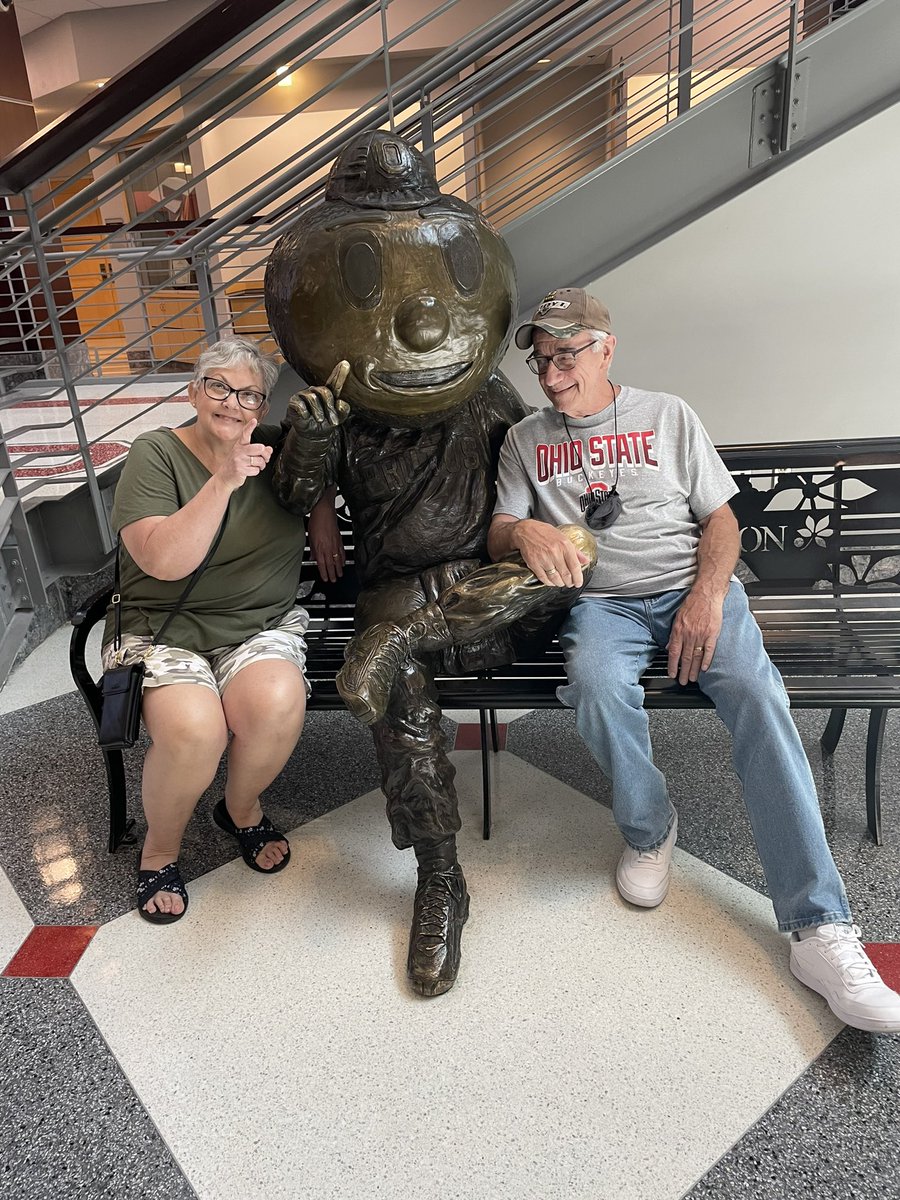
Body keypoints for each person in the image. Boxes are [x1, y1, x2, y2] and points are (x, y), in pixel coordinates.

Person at [487, 287, 900, 1034]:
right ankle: (650, 830)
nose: (551, 377)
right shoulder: (525, 440)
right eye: (542, 361)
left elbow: (721, 518)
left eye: (566, 356)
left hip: (694, 588)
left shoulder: (667, 415)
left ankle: (819, 928)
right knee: (593, 683)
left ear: (606, 349)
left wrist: (709, 596)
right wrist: (520, 535)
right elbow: (499, 528)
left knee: (758, 697)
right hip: (601, 604)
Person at [103, 337, 314, 924]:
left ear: (263, 408)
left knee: (276, 703)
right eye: (218, 386)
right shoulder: (155, 453)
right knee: (198, 733)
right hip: (162, 628)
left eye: (249, 395)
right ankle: (161, 850)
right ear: (195, 390)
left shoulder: (277, 449)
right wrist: (221, 481)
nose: (232, 403)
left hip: (256, 627)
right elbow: (163, 561)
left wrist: (319, 514)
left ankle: (240, 810)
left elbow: (326, 469)